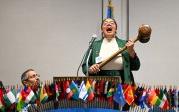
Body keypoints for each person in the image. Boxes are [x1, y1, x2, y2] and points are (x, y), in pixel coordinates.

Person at [82, 18, 140, 110]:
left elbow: (136, 66)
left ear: (116, 28)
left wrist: (131, 51)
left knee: (121, 108)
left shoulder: (125, 44)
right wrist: (90, 69)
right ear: (102, 29)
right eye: (105, 23)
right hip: (100, 83)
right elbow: (85, 66)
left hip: (122, 81)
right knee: (102, 109)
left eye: (112, 23)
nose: (109, 24)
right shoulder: (94, 45)